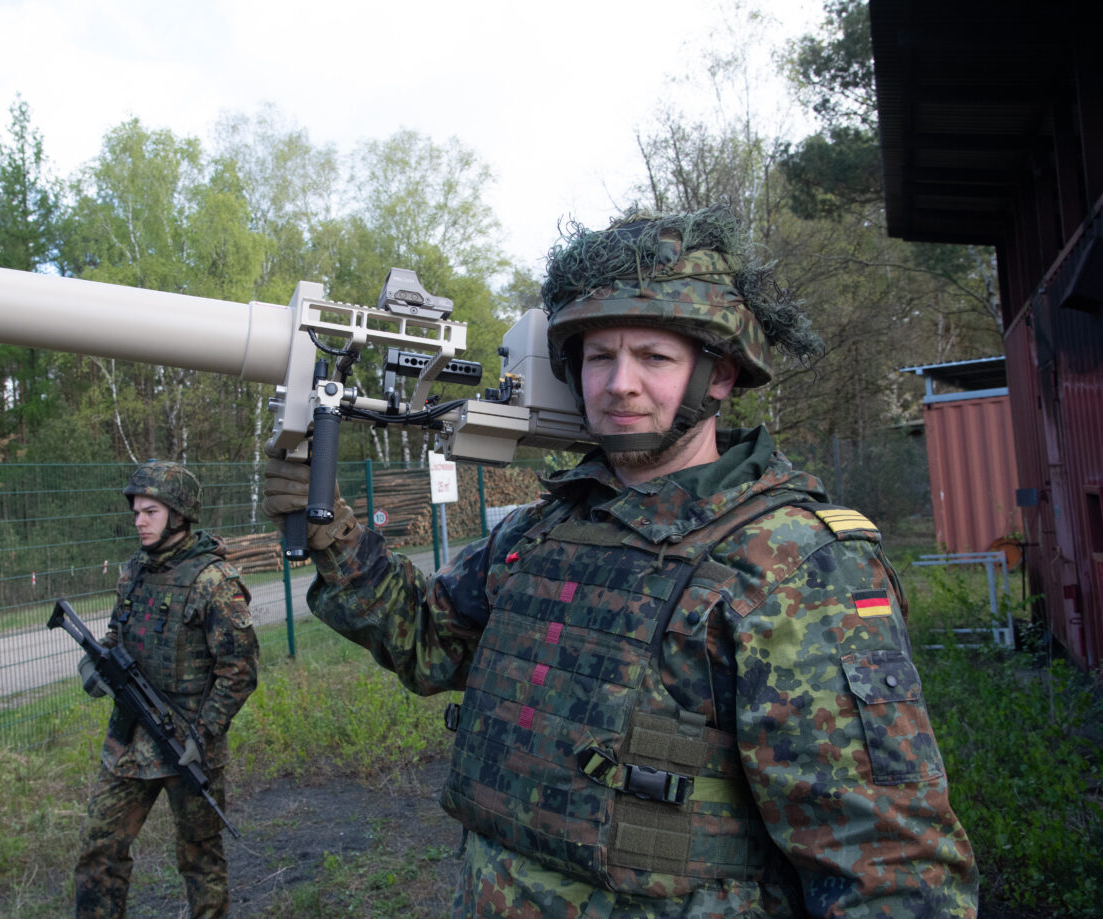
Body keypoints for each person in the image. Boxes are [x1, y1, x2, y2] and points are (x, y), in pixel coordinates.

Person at [262, 204, 978, 918]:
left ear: (720, 375)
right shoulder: (545, 529)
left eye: (654, 357)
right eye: (600, 357)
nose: (619, 383)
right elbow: (427, 641)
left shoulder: (796, 562)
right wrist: (337, 536)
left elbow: (885, 861)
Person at [75, 460, 259, 919]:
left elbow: (240, 669)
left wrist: (205, 732)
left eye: (149, 511)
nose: (138, 521)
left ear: (178, 514)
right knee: (99, 849)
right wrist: (94, 661)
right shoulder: (134, 572)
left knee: (200, 857)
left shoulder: (213, 582)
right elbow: (118, 636)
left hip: (188, 744)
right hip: (131, 739)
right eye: (136, 511)